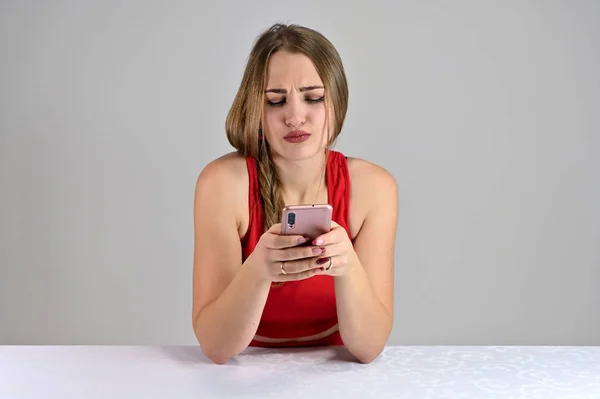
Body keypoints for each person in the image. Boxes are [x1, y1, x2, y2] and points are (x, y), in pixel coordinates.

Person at [192, 23, 398, 365]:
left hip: (335, 368)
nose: (295, 117)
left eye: (313, 98)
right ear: (256, 110)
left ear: (336, 101)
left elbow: (368, 347)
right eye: (276, 102)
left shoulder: (374, 188)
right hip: (244, 368)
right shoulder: (222, 184)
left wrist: (347, 267)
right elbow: (216, 347)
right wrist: (259, 269)